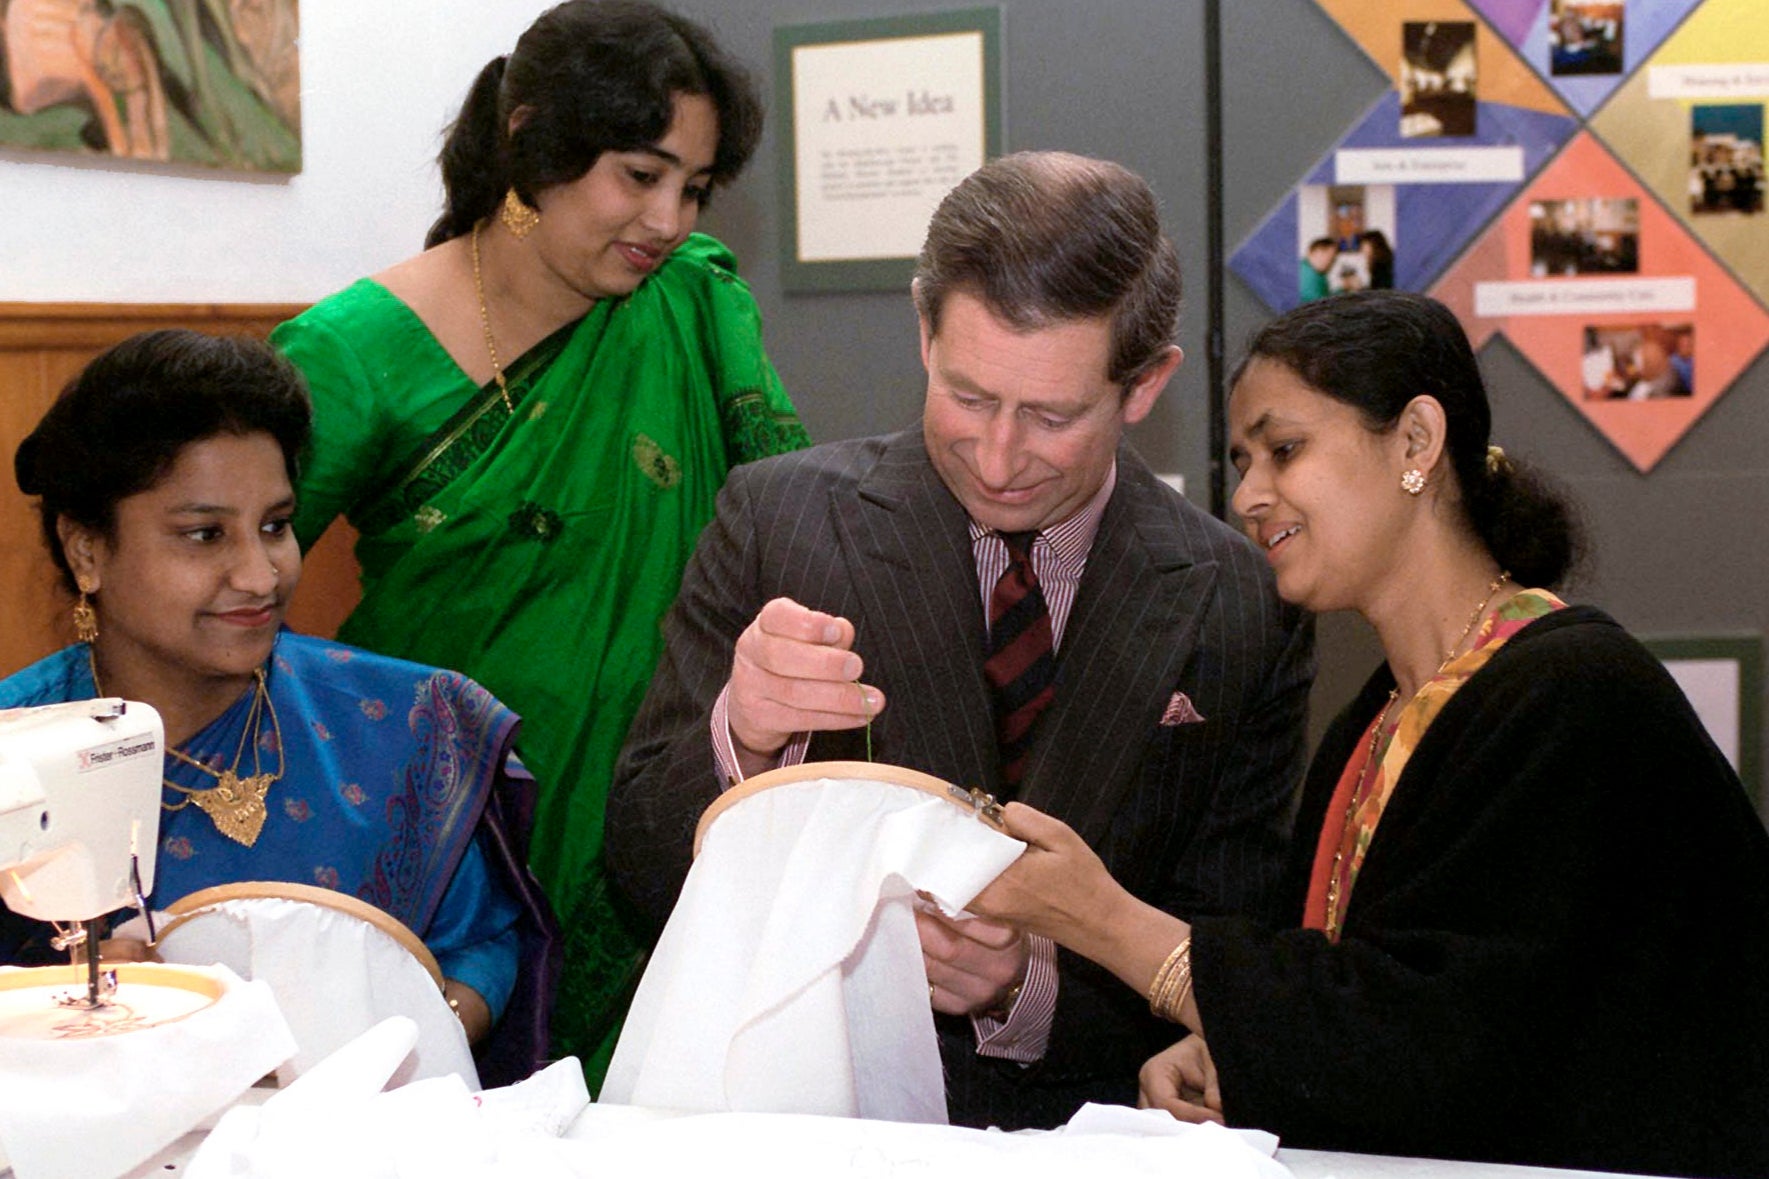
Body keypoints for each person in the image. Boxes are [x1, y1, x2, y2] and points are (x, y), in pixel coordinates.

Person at [969, 291, 1769, 1178]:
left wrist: (1106, 920)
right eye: (1240, 462)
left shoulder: (1576, 698)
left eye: (1284, 450)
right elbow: (1355, 1006)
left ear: (1417, 443)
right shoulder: (1380, 717)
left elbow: (1439, 1045)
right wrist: (1229, 1051)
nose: (1247, 496)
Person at [606, 151, 1314, 1131]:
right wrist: (744, 741)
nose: (997, 457)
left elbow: (1230, 957)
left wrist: (1031, 990)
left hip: (1091, 1140)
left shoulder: (1238, 600)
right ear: (922, 329)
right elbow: (639, 875)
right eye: (968, 396)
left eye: (1051, 417)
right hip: (814, 1131)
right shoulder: (778, 522)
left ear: (1145, 385)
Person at [269, 0, 810, 1081]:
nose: (667, 218)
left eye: (693, 188)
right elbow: (234, 597)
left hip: (668, 825)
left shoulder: (694, 305)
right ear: (531, 142)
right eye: (637, 173)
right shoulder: (353, 351)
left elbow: (786, 528)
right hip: (463, 837)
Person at [0, 330, 559, 1086]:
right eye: (204, 534)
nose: (259, 573)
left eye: (274, 525)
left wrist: (359, 1055)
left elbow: (481, 947)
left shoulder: (407, 723)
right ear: (87, 550)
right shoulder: (17, 744)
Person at [1298, 237, 1335, 303]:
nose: (1327, 260)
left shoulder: (1318, 272)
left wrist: (1343, 287)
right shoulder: (1305, 273)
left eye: (1331, 257)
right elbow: (1322, 304)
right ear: (1309, 252)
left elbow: (1326, 295)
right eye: (1323, 254)